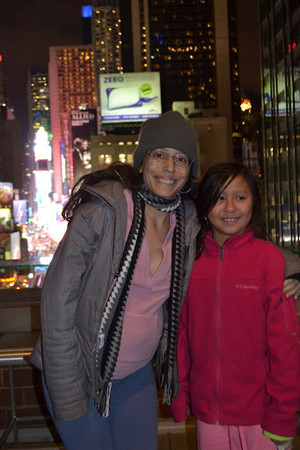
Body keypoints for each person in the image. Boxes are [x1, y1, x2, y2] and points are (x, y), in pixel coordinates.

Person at [30, 111, 200, 450]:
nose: (169, 168)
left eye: (180, 159)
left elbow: (235, 246)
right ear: (142, 161)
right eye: (159, 154)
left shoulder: (187, 224)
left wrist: (291, 270)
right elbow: (57, 307)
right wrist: (67, 389)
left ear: (190, 170)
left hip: (135, 375)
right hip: (78, 371)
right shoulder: (104, 212)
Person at [170, 161, 300, 450]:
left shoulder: (269, 260)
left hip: (263, 418)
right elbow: (180, 339)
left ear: (254, 201)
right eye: (219, 198)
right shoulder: (190, 263)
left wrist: (282, 417)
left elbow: (286, 349)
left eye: (240, 197)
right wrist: (180, 399)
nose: (230, 207)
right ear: (204, 205)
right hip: (208, 417)